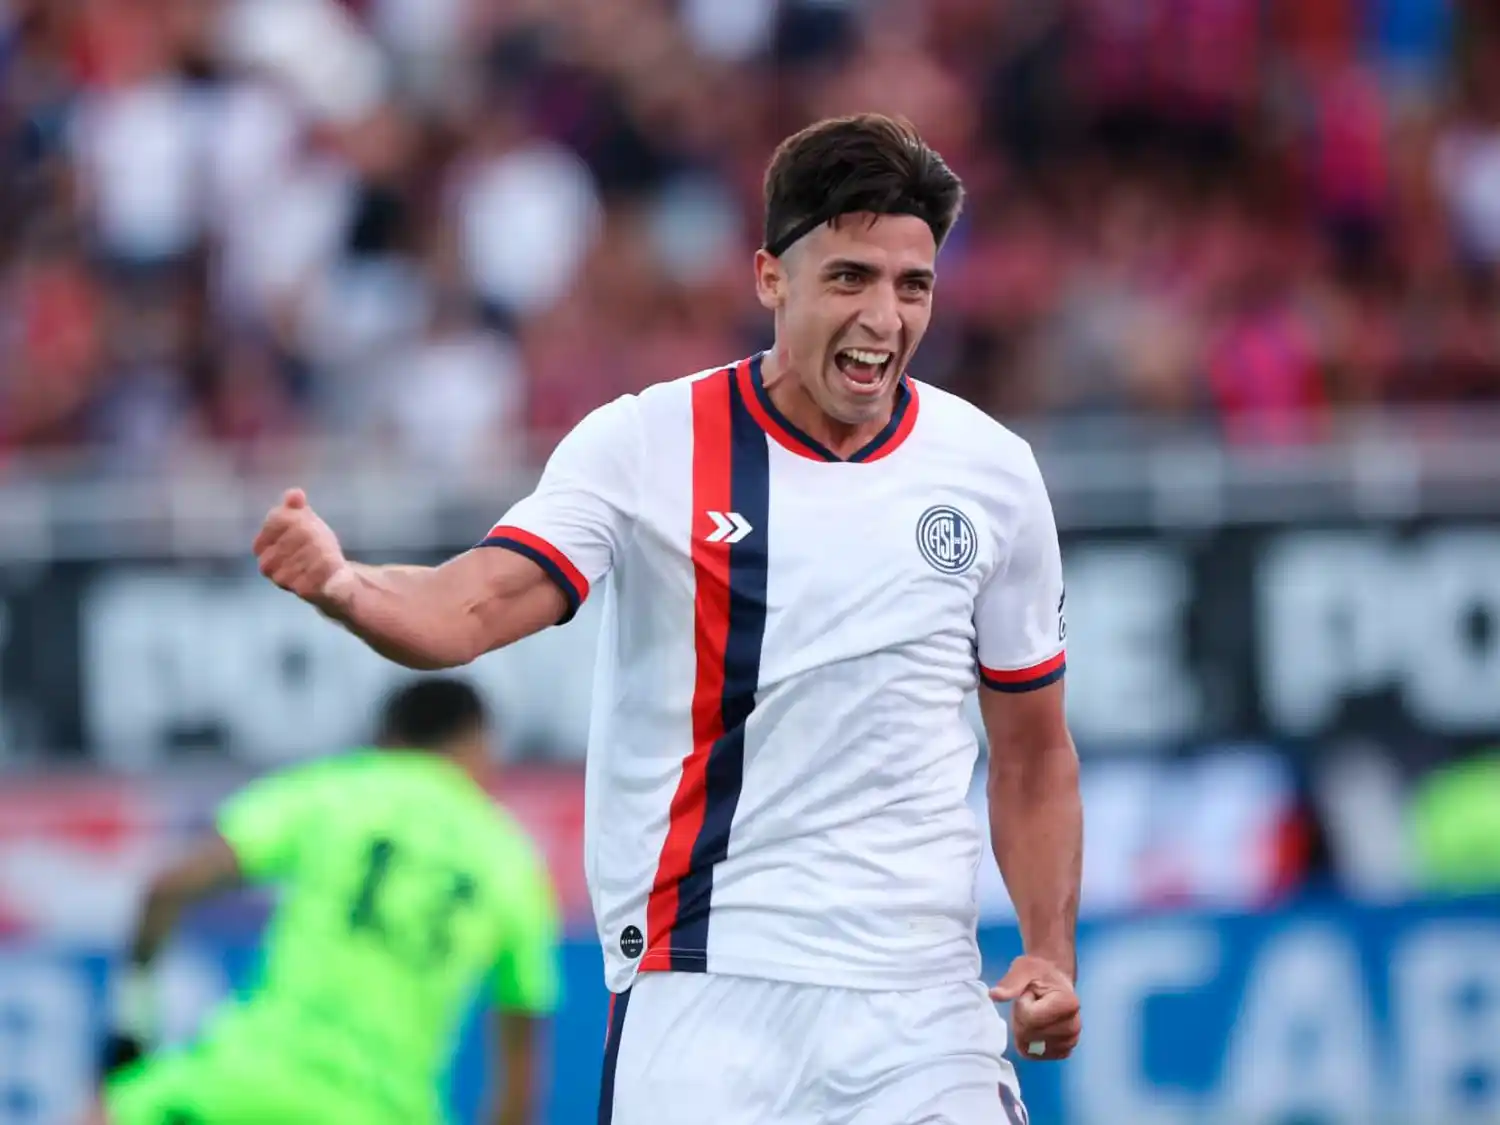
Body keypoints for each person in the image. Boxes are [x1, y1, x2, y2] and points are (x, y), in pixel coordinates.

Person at [254, 113, 1083, 1125]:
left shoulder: (991, 474)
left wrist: (1047, 946)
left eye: (913, 285)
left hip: (921, 1001)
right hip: (703, 986)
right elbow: (470, 607)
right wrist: (346, 586)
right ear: (772, 279)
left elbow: (1034, 755)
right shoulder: (648, 444)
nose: (885, 317)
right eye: (851, 278)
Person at [95, 677, 560, 1125]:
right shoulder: (511, 861)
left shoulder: (339, 792)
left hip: (247, 1085)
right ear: (479, 745)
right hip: (388, 1113)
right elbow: (519, 1083)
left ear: (388, 739)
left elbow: (167, 888)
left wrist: (130, 1032)